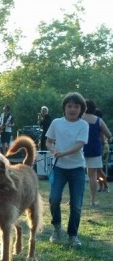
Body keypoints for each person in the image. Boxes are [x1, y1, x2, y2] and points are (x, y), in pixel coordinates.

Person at [46, 92, 89, 247]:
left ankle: (73, 235)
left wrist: (63, 152)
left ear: (81, 109)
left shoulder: (83, 125)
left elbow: (79, 145)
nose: (72, 109)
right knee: (54, 198)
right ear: (64, 107)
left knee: (76, 204)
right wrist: (53, 150)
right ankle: (56, 228)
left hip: (77, 168)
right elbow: (49, 142)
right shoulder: (56, 123)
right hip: (59, 168)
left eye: (76, 106)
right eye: (69, 106)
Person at [82, 100, 112, 206]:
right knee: (93, 176)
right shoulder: (98, 120)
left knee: (76, 175)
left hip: (79, 149)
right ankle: (93, 200)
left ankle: (74, 199)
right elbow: (109, 135)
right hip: (94, 150)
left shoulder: (78, 119)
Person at [94, 108, 110, 193]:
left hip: (102, 148)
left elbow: (102, 139)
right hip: (100, 147)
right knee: (97, 169)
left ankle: (106, 186)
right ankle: (101, 187)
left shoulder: (99, 123)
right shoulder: (99, 122)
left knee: (99, 169)